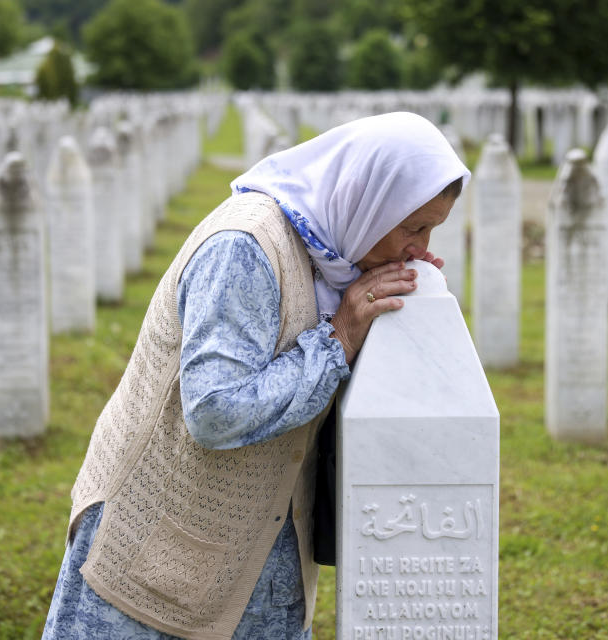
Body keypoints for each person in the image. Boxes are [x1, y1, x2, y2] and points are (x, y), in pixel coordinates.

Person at [41, 111, 470, 640]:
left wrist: (399, 321)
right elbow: (215, 410)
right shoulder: (244, 247)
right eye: (413, 226)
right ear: (369, 198)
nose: (418, 245)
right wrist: (339, 337)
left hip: (259, 557)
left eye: (430, 229)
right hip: (156, 546)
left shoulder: (334, 261)